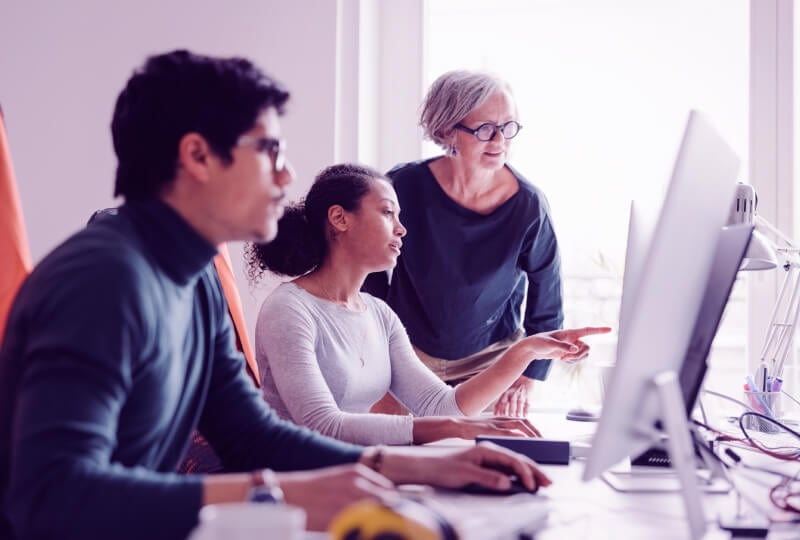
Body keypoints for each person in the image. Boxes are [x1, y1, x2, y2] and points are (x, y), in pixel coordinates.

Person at [0, 50, 553, 540]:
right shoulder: (103, 283)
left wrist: (419, 466)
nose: (287, 174)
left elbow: (251, 434)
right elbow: (50, 497)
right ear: (197, 156)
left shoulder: (193, 281)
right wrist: (272, 493)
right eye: (269, 150)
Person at [245, 163, 609, 445]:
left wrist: (526, 351)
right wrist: (451, 429)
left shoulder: (379, 315)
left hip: (355, 472)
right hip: (293, 485)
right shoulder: (289, 309)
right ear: (340, 219)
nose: (401, 229)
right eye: (388, 213)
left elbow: (442, 406)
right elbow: (323, 426)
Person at [364, 70, 567, 418]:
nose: (500, 140)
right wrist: (380, 346)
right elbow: (368, 269)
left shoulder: (529, 205)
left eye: (509, 127)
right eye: (485, 129)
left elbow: (546, 298)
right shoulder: (403, 185)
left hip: (490, 363)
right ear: (446, 131)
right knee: (396, 457)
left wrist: (527, 378)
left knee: (481, 463)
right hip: (407, 357)